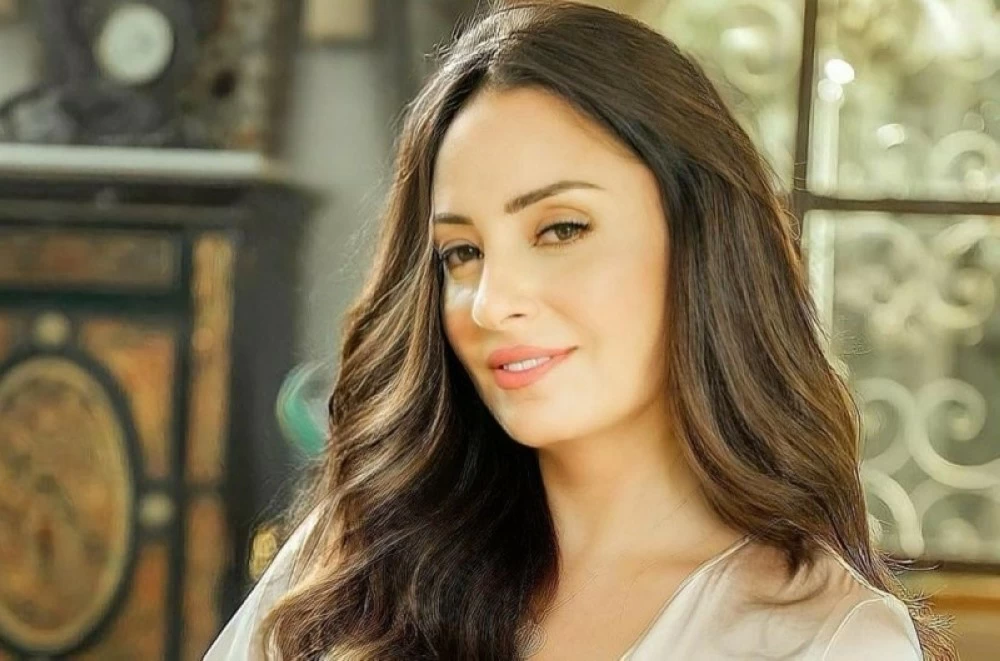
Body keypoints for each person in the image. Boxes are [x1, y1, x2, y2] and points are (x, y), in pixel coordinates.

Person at [205, 1, 955, 659]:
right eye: (462, 252)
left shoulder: (826, 640)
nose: (491, 303)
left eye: (561, 228)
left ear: (700, 238)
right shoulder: (355, 566)